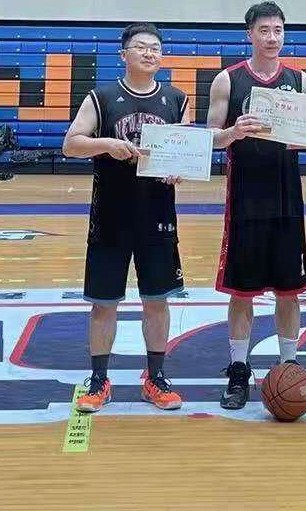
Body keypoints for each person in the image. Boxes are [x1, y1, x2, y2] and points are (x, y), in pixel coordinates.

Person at [207, 0, 306, 409]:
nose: (272, 37)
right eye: (264, 30)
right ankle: (238, 369)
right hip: (245, 196)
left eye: (278, 30)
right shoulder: (228, 79)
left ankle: (289, 365)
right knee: (241, 292)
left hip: (286, 195)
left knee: (289, 291)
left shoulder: (300, 79)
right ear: (250, 34)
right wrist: (233, 132)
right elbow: (210, 137)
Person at [62, 22, 188, 414]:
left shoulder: (177, 98)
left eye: (155, 48)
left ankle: (156, 378)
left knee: (157, 301)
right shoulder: (101, 97)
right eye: (141, 47)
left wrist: (179, 168)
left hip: (157, 215)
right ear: (124, 54)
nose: (149, 53)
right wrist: (106, 144)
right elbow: (71, 144)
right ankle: (99, 380)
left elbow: (185, 150)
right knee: (104, 304)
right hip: (111, 215)